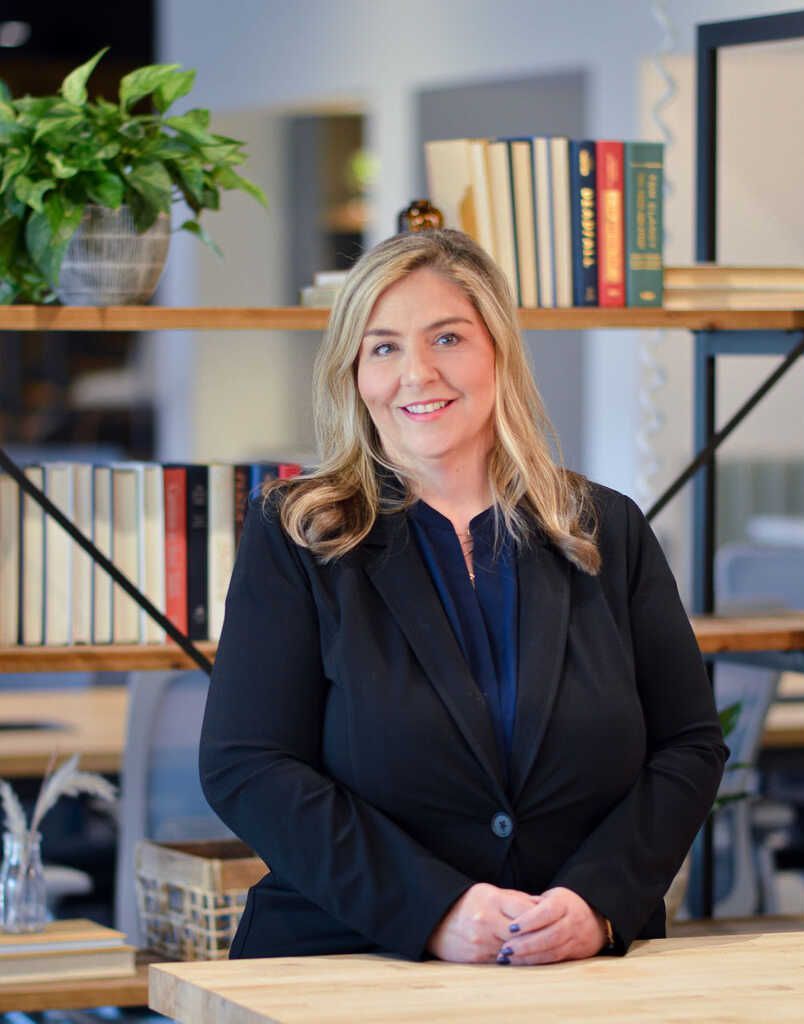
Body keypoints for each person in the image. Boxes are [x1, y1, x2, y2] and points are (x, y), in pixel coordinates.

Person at [199, 228, 727, 966]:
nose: (416, 373)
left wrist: (601, 902)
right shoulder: (297, 534)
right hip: (349, 957)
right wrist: (433, 911)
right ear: (354, 373)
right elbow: (247, 764)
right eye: (382, 347)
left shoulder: (603, 529)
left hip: (576, 968)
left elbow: (687, 744)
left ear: (497, 352)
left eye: (446, 338)